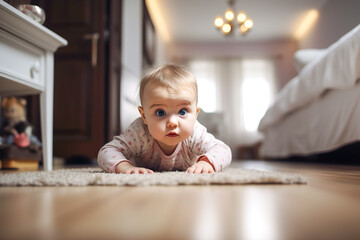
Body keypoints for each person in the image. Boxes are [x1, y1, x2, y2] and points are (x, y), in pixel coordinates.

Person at [97, 64, 231, 174]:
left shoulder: (195, 132)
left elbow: (223, 150)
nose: (172, 123)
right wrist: (126, 168)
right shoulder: (140, 132)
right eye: (160, 112)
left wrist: (206, 163)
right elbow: (106, 152)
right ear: (144, 116)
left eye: (182, 111)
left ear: (195, 114)